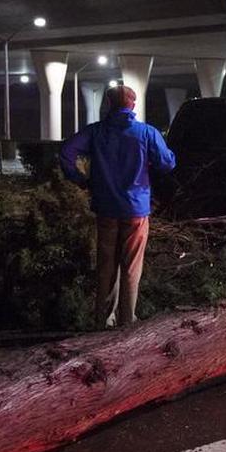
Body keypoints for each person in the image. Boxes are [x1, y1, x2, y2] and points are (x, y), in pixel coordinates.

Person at [60, 85, 176, 328]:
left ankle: (103, 321)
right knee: (131, 267)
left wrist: (79, 178)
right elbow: (167, 163)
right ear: (133, 105)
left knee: (106, 265)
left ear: (109, 105)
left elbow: (67, 150)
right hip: (135, 210)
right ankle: (127, 320)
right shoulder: (146, 133)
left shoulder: (96, 132)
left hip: (105, 208)